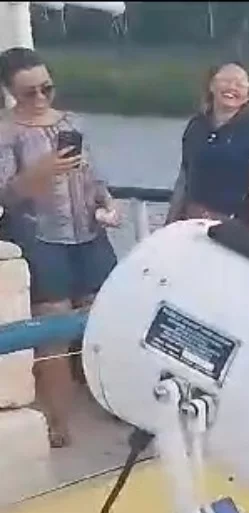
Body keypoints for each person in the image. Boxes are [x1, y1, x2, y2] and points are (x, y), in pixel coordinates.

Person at [0, 47, 121, 448]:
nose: (40, 98)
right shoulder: (6, 133)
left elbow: (95, 178)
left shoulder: (73, 123)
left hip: (90, 234)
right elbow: (6, 195)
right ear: (10, 91)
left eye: (46, 88)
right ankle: (58, 422)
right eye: (29, 92)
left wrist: (107, 204)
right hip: (41, 238)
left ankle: (121, 405)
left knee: (106, 324)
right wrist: (42, 170)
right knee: (52, 335)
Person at [166, 62, 249, 229]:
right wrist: (170, 223)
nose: (232, 87)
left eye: (240, 84)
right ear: (211, 85)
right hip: (191, 223)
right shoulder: (196, 126)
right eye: (226, 80)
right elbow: (184, 178)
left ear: (248, 96)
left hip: (232, 225)